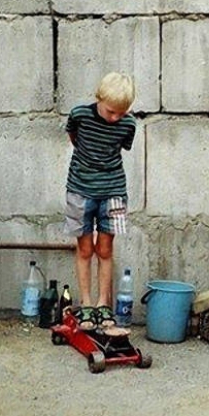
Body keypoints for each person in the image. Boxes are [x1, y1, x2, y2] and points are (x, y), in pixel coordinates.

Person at [64, 72, 137, 331]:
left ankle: (103, 303)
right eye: (111, 111)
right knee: (85, 250)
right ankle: (85, 304)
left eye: (122, 112)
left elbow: (120, 148)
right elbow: (74, 139)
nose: (116, 118)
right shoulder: (79, 115)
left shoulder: (129, 125)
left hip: (114, 192)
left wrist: (120, 118)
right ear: (98, 98)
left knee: (105, 249)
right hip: (80, 191)